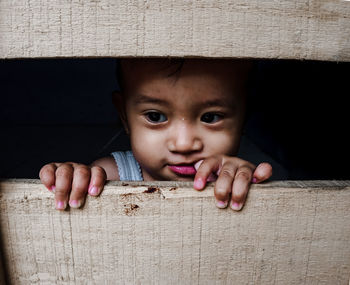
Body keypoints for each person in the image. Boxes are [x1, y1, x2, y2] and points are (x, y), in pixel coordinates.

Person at [39, 58, 272, 211]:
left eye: (210, 118)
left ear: (244, 116)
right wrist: (72, 179)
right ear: (124, 116)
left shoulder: (237, 172)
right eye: (155, 116)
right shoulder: (111, 175)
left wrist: (246, 183)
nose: (183, 144)